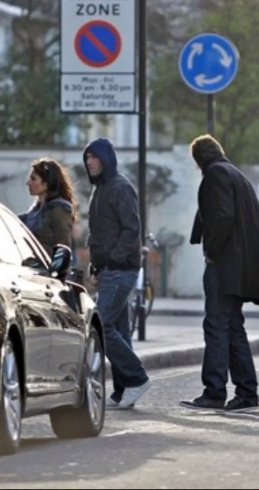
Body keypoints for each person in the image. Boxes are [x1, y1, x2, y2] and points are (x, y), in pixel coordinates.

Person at [180, 135, 259, 413]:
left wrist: (213, 251)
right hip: (241, 266)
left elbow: (222, 216)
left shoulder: (215, 175)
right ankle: (246, 392)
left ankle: (214, 391)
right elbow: (257, 217)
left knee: (217, 326)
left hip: (224, 266)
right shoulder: (237, 175)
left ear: (199, 160)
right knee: (233, 327)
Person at [83, 137, 151, 409]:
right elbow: (100, 234)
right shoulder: (100, 189)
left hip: (121, 270)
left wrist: (112, 260)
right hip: (109, 269)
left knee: (102, 326)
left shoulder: (120, 187)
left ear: (107, 159)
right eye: (87, 158)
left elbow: (131, 229)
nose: (89, 162)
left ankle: (137, 378)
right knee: (119, 330)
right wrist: (97, 266)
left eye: (94, 157)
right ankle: (123, 390)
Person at [18, 158, 77, 253]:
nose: (28, 183)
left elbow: (63, 247)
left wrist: (56, 265)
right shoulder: (35, 211)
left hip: (46, 266)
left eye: (33, 179)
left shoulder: (59, 210)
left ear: (46, 184)